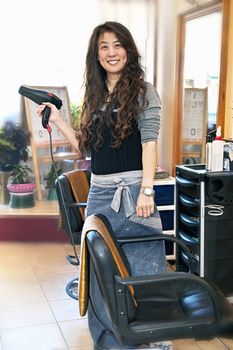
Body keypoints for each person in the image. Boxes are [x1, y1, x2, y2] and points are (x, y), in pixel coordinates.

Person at [38, 21, 168, 350]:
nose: (111, 52)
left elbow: (149, 143)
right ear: (96, 56)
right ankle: (109, 343)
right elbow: (87, 146)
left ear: (128, 49)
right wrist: (57, 121)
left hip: (135, 190)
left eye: (117, 45)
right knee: (98, 274)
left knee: (143, 270)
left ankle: (150, 341)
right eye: (104, 47)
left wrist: (147, 190)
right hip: (100, 191)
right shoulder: (95, 95)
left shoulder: (142, 90)